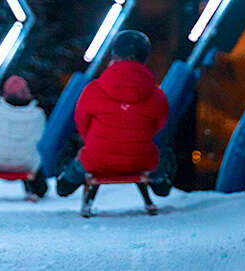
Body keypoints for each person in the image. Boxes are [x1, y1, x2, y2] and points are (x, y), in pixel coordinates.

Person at [56, 30, 169, 197]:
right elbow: (160, 124)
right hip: (141, 160)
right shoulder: (156, 93)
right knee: (154, 157)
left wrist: (96, 141)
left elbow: (82, 123)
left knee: (84, 159)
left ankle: (66, 183)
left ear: (114, 55)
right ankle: (160, 182)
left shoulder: (94, 89)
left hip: (97, 160)